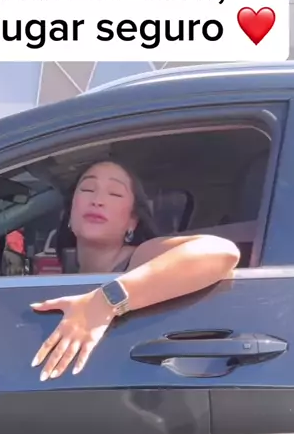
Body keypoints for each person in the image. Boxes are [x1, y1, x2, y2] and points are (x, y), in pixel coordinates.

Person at [31, 160, 240, 381]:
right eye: (88, 189)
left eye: (115, 193)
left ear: (132, 221)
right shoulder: (68, 274)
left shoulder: (139, 258)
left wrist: (105, 301)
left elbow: (221, 251)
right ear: (70, 212)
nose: (98, 200)